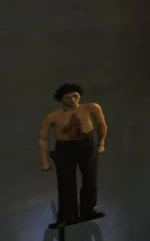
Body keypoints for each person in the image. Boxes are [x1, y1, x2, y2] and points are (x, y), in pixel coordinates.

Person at [38, 83, 107, 228]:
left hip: (86, 145)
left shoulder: (91, 107)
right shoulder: (53, 116)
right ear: (61, 99)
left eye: (75, 96)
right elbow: (43, 138)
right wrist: (44, 161)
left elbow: (101, 124)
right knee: (65, 183)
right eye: (68, 97)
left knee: (90, 178)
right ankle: (67, 216)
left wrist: (101, 143)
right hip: (65, 148)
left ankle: (88, 210)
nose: (73, 100)